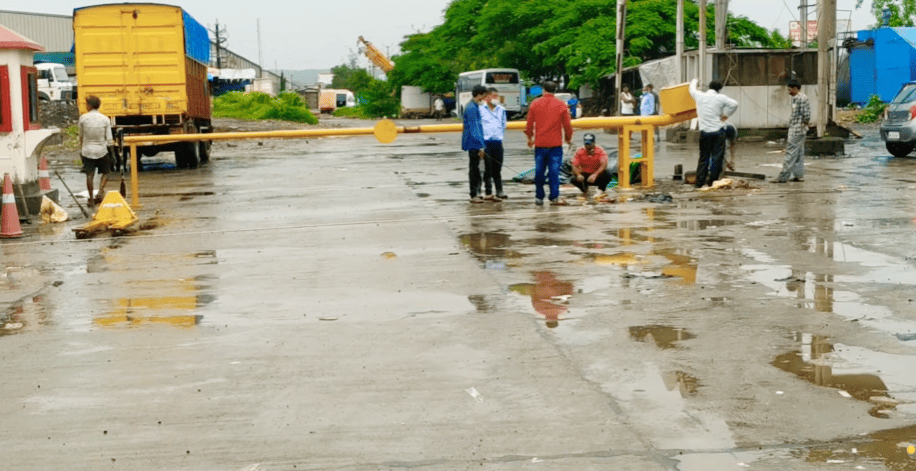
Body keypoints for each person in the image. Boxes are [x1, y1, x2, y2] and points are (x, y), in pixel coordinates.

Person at [524, 81, 574, 206]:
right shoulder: (561, 104)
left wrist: (530, 138)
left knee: (539, 171)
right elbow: (567, 126)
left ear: (543, 90)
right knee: (554, 171)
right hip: (556, 144)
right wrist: (568, 138)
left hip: (540, 144)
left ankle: (539, 197)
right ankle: (554, 196)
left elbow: (529, 125)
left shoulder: (535, 103)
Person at [688, 79, 738, 188]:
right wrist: (726, 115)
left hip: (705, 132)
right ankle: (713, 181)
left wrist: (695, 80)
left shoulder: (699, 96)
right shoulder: (721, 98)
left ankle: (700, 182)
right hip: (718, 132)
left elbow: (691, 89)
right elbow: (734, 104)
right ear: (719, 89)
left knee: (704, 157)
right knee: (717, 158)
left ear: (709, 87)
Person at [773, 79, 811, 183]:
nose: (789, 91)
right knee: (798, 153)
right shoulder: (796, 98)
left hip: (797, 130)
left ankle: (783, 177)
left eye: (790, 89)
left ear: (795, 88)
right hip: (797, 129)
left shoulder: (801, 98)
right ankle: (798, 175)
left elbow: (806, 115)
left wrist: (804, 124)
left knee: (790, 153)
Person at [78, 95, 113, 205]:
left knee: (90, 175)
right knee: (106, 172)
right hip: (102, 150)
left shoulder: (83, 118)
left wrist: (82, 148)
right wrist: (112, 154)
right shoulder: (105, 119)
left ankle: (91, 199)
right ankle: (101, 191)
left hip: (87, 151)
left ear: (89, 105)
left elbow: (81, 136)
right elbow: (109, 139)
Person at [462, 85, 489, 203]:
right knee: (474, 169)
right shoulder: (472, 108)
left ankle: (477, 192)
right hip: (474, 143)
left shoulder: (473, 106)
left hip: (475, 142)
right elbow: (475, 129)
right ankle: (474, 194)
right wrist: (481, 146)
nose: (484, 98)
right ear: (479, 95)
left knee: (477, 169)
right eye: (483, 95)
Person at [480, 87, 508, 200]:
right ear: (487, 97)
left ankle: (499, 190)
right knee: (487, 168)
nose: (496, 98)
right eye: (493, 96)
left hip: (497, 142)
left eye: (497, 96)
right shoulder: (481, 110)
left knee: (498, 167)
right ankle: (488, 191)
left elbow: (503, 125)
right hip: (486, 142)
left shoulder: (501, 110)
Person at [571, 133, 613, 200]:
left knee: (608, 174)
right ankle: (585, 190)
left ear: (594, 143)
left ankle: (600, 190)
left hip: (597, 175)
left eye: (590, 144)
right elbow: (574, 165)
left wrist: (595, 174)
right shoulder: (579, 151)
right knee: (573, 179)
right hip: (585, 175)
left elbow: (604, 164)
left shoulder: (600, 151)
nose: (588, 147)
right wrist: (578, 174)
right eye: (586, 144)